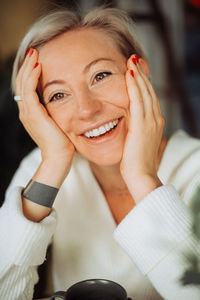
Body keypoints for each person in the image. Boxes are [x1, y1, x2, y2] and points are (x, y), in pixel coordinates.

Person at [0, 6, 200, 300]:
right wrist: (53, 163)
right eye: (58, 95)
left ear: (139, 73)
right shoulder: (44, 169)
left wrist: (141, 177)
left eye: (101, 75)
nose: (87, 109)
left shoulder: (194, 167)